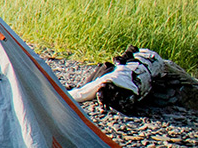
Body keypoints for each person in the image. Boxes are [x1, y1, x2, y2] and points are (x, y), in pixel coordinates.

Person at [69, 46, 198, 114]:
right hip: (144, 66)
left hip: (143, 67)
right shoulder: (112, 78)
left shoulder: (111, 78)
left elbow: (79, 94)